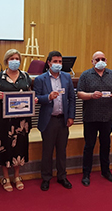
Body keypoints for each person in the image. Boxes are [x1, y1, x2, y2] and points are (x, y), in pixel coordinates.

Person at [77, 51, 112, 186]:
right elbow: (79, 93)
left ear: (106, 60)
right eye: (97, 59)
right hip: (90, 117)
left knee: (106, 145)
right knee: (89, 146)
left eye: (103, 59)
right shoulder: (86, 75)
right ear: (92, 61)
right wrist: (91, 96)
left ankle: (106, 171)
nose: (100, 61)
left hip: (107, 116)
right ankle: (86, 174)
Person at [33, 50, 76, 191]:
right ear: (49, 62)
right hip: (48, 120)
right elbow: (37, 99)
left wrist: (71, 116)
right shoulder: (40, 79)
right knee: (47, 151)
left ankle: (62, 176)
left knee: (62, 151)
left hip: (63, 119)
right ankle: (46, 178)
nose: (58, 64)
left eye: (60, 62)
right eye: (55, 62)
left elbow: (71, 98)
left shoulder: (66, 77)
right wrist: (48, 97)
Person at [0, 49, 33, 192]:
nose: (15, 61)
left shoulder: (26, 76)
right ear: (6, 60)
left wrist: (31, 100)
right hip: (5, 120)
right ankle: (5, 177)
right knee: (4, 146)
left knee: (20, 146)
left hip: (21, 120)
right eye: (11, 58)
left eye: (17, 58)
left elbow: (30, 93)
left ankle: (17, 176)